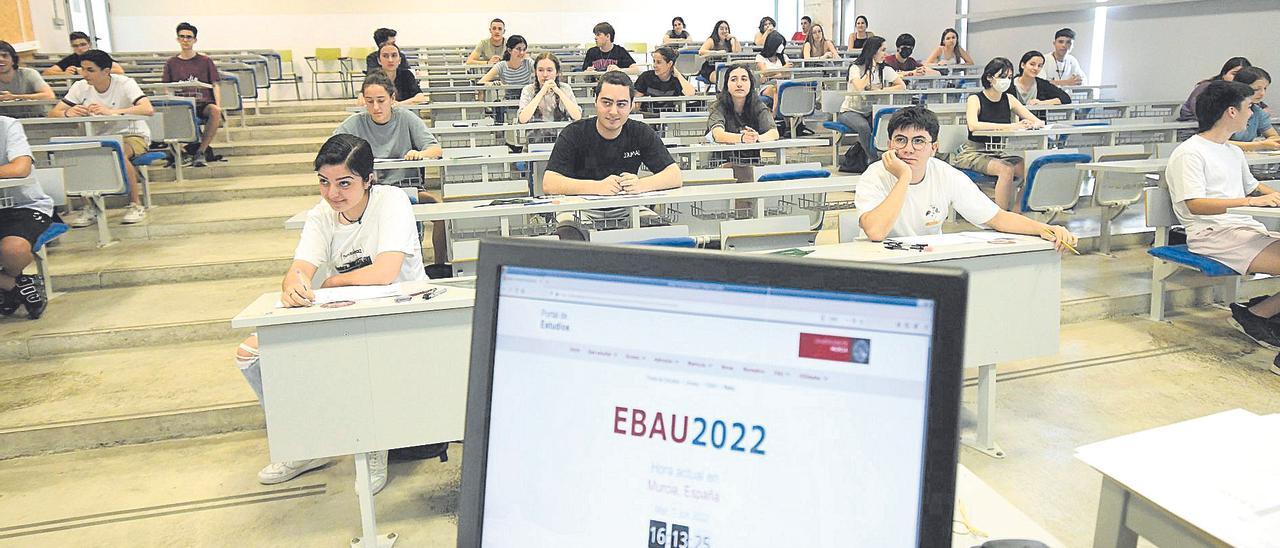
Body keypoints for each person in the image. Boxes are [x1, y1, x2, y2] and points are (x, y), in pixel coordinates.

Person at [235, 134, 432, 493]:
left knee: (358, 358)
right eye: (324, 183)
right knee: (251, 354)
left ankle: (373, 443)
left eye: (344, 183)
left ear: (368, 179)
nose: (333, 193)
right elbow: (299, 268)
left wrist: (335, 282)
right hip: (343, 309)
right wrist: (295, 284)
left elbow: (385, 272)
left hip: (399, 309)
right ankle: (307, 442)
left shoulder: (393, 202)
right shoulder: (321, 214)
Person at [1163, 80, 1280, 361]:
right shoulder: (1189, 153)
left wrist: (1271, 195)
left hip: (1243, 230)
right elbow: (1195, 204)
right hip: (1211, 234)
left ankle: (1258, 314)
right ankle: (1258, 315)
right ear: (1231, 111)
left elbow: (1252, 186)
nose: (1252, 114)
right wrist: (1251, 202)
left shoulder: (1232, 150)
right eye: (1249, 107)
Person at [855, 106, 1077, 252]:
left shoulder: (946, 174)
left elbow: (997, 218)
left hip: (924, 261)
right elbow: (875, 232)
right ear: (890, 144)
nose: (909, 149)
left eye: (919, 141)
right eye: (901, 140)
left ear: (934, 147)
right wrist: (903, 177)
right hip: (880, 261)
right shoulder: (875, 175)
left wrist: (1044, 229)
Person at [336, 72, 445, 264]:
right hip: (369, 192)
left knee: (438, 210)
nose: (375, 107)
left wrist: (420, 154)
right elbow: (332, 150)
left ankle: (439, 266)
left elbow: (435, 148)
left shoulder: (406, 118)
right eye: (369, 101)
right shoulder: (355, 123)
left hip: (406, 189)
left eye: (381, 100)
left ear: (392, 99)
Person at [543, 72, 682, 218]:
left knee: (657, 228)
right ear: (595, 101)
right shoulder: (574, 133)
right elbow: (549, 183)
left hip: (628, 207)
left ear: (631, 105)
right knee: (568, 232)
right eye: (607, 103)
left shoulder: (641, 132)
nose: (613, 111)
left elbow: (674, 176)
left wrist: (640, 185)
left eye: (621, 104)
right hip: (579, 207)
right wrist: (597, 187)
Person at [49, 50, 155, 226]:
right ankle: (89, 207)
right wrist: (68, 112)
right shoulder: (79, 87)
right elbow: (53, 113)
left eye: (90, 70)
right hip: (94, 136)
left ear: (106, 71)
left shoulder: (125, 83)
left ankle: (135, 204)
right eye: (82, 69)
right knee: (77, 156)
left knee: (118, 152)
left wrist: (112, 112)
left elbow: (147, 108)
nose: (84, 74)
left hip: (132, 134)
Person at [950, 57, 1045, 211]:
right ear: (989, 77)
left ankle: (1016, 210)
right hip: (973, 152)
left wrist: (1031, 124)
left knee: (1030, 170)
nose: (1006, 81)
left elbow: (1035, 120)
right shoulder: (975, 99)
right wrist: (1010, 126)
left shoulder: (1009, 99)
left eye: (1009, 77)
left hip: (997, 152)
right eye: (1002, 77)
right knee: (1006, 169)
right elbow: (973, 125)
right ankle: (1000, 214)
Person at [0, 115, 51, 320]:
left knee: (13, 250)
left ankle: (9, 286)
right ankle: (14, 285)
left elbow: (21, 168)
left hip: (23, 205)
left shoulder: (7, 125)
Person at [161, 22, 223, 168]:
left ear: (194, 40)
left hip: (203, 103)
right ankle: (182, 152)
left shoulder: (206, 61)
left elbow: (215, 84)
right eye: (182, 37)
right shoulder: (171, 63)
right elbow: (167, 87)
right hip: (182, 105)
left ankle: (201, 151)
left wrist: (218, 105)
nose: (185, 40)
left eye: (189, 37)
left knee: (215, 111)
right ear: (177, 39)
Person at [837, 36, 905, 167]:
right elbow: (859, 87)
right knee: (864, 127)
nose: (885, 54)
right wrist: (870, 69)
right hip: (849, 112)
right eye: (882, 50)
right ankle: (874, 160)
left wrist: (882, 89)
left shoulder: (884, 69)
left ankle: (886, 156)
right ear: (873, 51)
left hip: (870, 111)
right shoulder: (856, 68)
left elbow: (901, 85)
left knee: (886, 123)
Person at [517, 53, 582, 145]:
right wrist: (542, 92)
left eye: (549, 70)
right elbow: (523, 119)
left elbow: (577, 117)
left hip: (563, 142)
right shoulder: (528, 90)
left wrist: (558, 91)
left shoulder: (565, 88)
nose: (545, 74)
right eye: (540, 70)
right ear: (535, 72)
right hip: (534, 143)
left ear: (557, 72)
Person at [1178, 57, 1251, 122]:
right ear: (1224, 73)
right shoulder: (1206, 87)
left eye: (1241, 75)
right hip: (1192, 128)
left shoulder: (1244, 91)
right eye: (1234, 74)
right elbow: (1200, 113)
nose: (1237, 78)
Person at [1228, 67, 1278, 152]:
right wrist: (1259, 145)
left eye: (1265, 88)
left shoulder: (1257, 110)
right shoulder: (1224, 109)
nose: (1262, 93)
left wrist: (1270, 142)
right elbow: (1219, 142)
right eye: (1256, 89)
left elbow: (1274, 136)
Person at [0, 41, 55, 118]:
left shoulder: (29, 73)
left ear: (13, 60)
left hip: (35, 118)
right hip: (4, 122)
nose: (1, 59)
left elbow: (49, 96)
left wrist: (14, 97)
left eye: (5, 56)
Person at [633, 47, 694, 114]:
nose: (654, 65)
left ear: (670, 64)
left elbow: (690, 94)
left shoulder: (677, 79)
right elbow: (636, 102)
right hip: (647, 116)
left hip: (669, 116)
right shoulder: (645, 77)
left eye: (658, 62)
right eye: (654, 61)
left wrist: (678, 75)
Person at [42, 32, 124, 76]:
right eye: (75, 46)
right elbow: (47, 72)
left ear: (89, 44)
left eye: (83, 44)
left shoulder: (99, 56)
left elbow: (119, 71)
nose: (80, 48)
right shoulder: (70, 59)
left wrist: (89, 71)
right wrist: (64, 74)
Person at [479, 35, 533, 100]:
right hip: (509, 102)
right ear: (509, 50)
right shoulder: (502, 65)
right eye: (518, 49)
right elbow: (481, 82)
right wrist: (492, 84)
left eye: (524, 49)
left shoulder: (529, 62)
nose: (522, 52)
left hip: (527, 100)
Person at [696, 20, 741, 86]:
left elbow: (737, 52)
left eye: (726, 29)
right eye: (721, 29)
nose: (724, 31)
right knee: (721, 78)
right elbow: (701, 51)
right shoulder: (711, 40)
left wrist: (735, 38)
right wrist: (717, 52)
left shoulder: (730, 41)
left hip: (726, 66)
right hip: (711, 67)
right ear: (717, 30)